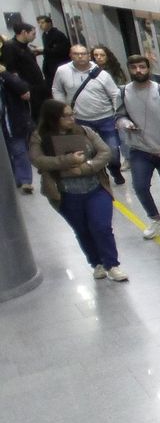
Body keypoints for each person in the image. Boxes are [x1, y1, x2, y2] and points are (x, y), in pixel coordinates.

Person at [28, 100, 125, 281]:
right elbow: (38, 160)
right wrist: (68, 160)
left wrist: (86, 167)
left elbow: (105, 152)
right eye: (65, 116)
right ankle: (96, 263)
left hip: (95, 188)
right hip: (65, 194)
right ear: (53, 118)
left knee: (102, 227)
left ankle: (112, 264)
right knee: (82, 230)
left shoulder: (85, 131)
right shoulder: (40, 137)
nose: (71, 119)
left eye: (72, 114)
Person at [117, 54, 160, 240]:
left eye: (142, 67)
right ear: (129, 70)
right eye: (134, 68)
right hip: (140, 149)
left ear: (149, 68)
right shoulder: (123, 93)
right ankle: (156, 218)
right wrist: (125, 123)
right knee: (139, 186)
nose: (138, 71)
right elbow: (119, 116)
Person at [52, 43, 124, 185]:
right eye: (76, 54)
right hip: (80, 120)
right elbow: (57, 89)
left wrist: (117, 114)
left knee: (113, 151)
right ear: (70, 55)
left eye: (83, 54)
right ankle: (100, 175)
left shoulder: (101, 74)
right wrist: (63, 108)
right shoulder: (62, 71)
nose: (80, 57)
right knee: (87, 151)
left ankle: (115, 169)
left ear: (88, 56)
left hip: (105, 118)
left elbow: (115, 94)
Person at [3, 22, 48, 121]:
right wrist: (21, 89)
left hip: (37, 87)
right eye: (33, 34)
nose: (35, 37)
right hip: (27, 89)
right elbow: (11, 71)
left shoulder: (26, 47)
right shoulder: (10, 46)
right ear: (24, 32)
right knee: (34, 117)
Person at [1, 62, 34, 194]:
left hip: (11, 123)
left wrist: (5, 74)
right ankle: (11, 181)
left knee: (19, 151)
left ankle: (25, 181)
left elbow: (24, 91)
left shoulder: (7, 78)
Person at [37, 16, 70, 87]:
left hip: (59, 64)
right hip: (49, 65)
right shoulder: (44, 34)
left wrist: (44, 50)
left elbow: (60, 50)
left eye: (42, 23)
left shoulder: (58, 34)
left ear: (49, 23)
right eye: (39, 23)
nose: (40, 25)